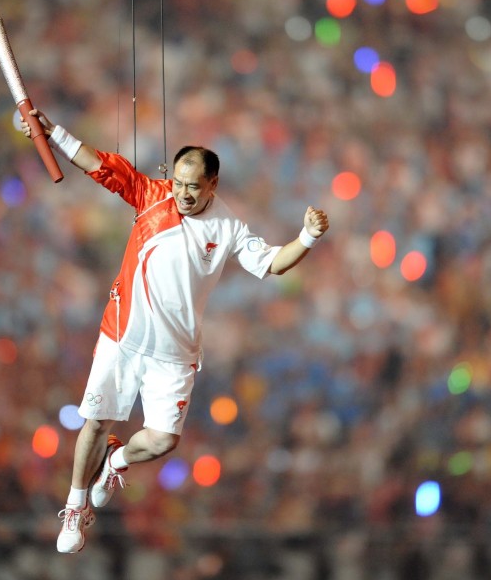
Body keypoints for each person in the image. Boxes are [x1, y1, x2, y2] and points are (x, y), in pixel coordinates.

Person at [18, 109, 330, 553]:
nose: (183, 193)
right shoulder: (152, 195)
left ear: (212, 185)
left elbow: (273, 264)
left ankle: (117, 459)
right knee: (95, 422)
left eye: (193, 187)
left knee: (163, 440)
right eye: (179, 183)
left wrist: (308, 236)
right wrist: (54, 134)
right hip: (123, 335)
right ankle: (75, 505)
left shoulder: (228, 227)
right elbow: (100, 165)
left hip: (176, 353)